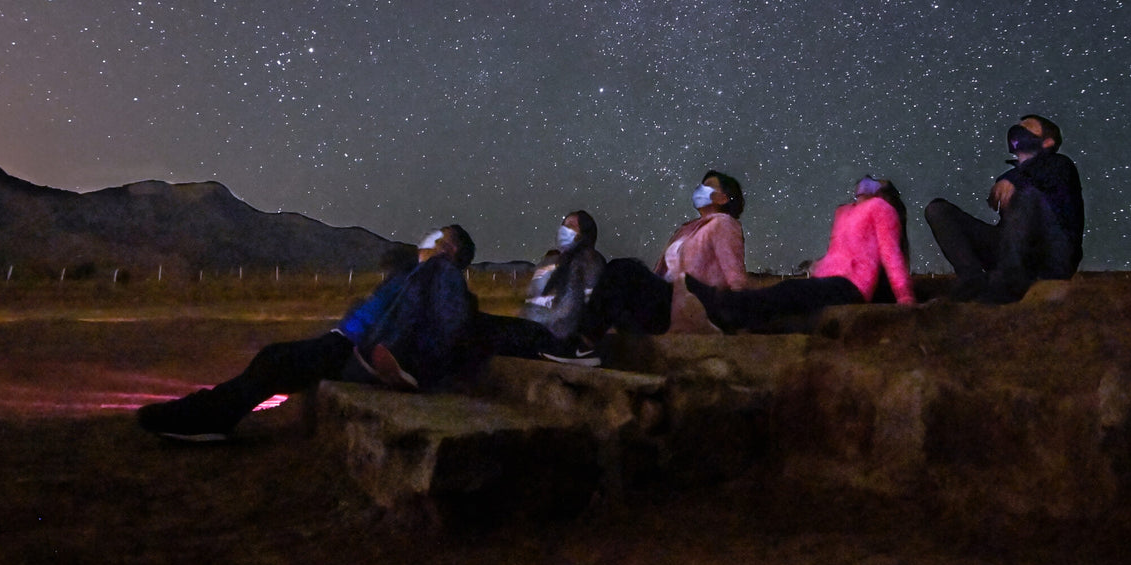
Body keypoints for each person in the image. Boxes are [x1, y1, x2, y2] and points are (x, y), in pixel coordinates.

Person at [137, 224, 479, 442]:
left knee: (277, 360)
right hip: (348, 341)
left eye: (438, 236)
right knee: (274, 357)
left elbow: (451, 321)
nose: (427, 236)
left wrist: (410, 365)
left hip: (362, 351)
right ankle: (210, 411)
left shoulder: (442, 272)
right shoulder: (415, 274)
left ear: (449, 251)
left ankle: (210, 417)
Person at [550, 170, 746, 361]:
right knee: (617, 298)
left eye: (708, 186)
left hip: (692, 302)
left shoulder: (724, 224)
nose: (699, 189)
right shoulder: (687, 230)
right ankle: (585, 348)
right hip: (669, 302)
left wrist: (736, 315)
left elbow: (734, 273)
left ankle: (581, 346)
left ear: (723, 198)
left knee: (624, 269)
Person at [686, 176, 914, 332]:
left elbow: (890, 253)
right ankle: (724, 308)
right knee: (788, 294)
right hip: (831, 279)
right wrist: (819, 266)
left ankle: (724, 308)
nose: (867, 183)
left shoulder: (882, 209)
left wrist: (905, 296)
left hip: (851, 285)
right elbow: (841, 252)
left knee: (789, 291)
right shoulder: (847, 213)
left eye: (876, 184)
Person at [925, 114, 1084, 304]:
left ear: (1048, 141)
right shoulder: (1010, 177)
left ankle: (1008, 284)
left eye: (1028, 126)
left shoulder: (1061, 165)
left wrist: (1014, 180)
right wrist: (1012, 178)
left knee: (1028, 196)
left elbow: (1041, 174)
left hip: (1051, 254)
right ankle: (972, 279)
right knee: (938, 211)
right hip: (1011, 250)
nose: (1019, 128)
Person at [471, 210, 607, 364]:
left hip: (555, 338)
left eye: (571, 226)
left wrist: (529, 315)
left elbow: (569, 311)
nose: (564, 230)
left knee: (482, 326)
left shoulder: (586, 260)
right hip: (545, 331)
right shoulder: (564, 262)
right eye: (563, 225)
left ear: (585, 232)